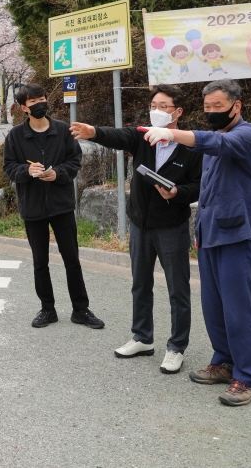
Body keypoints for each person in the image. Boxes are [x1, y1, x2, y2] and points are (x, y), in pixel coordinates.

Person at [141, 79, 251, 407]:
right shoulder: (214, 142)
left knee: (239, 309)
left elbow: (214, 142)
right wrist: (199, 233)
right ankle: (224, 362)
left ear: (236, 106)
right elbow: (207, 190)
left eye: (218, 107)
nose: (211, 113)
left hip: (238, 235)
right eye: (207, 107)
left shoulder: (248, 135)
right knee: (214, 307)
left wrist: (171, 133)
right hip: (210, 235)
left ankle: (250, 377)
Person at [70, 84, 202, 375]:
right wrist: (93, 131)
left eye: (163, 106)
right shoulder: (143, 136)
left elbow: (198, 186)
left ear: (178, 112)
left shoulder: (192, 146)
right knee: (140, 284)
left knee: (177, 289)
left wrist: (177, 192)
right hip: (140, 223)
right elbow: (119, 135)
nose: (156, 111)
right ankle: (142, 337)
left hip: (171, 227)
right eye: (153, 105)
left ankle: (176, 347)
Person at [3, 84, 104, 330]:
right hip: (33, 207)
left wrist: (57, 173)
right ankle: (47, 309)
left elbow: (75, 160)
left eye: (42, 98)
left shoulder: (62, 130)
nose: (40, 103)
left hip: (61, 205)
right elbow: (9, 167)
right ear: (23, 107)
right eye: (33, 100)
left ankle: (80, 310)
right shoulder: (15, 135)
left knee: (72, 259)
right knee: (40, 261)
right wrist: (26, 171)